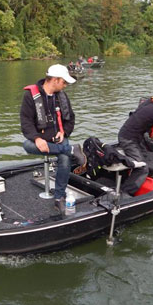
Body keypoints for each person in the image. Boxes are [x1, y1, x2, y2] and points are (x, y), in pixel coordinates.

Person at [20, 64, 87, 214]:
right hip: (40, 140)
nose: (65, 86)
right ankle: (71, 150)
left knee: (64, 159)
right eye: (64, 82)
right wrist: (36, 138)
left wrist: (64, 132)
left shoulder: (62, 96)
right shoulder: (30, 96)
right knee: (27, 145)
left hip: (58, 140)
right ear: (55, 80)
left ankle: (59, 198)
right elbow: (26, 123)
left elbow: (71, 119)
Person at [117, 88, 153, 195]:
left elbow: (146, 119)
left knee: (147, 156)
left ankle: (147, 179)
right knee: (142, 167)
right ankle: (124, 193)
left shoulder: (148, 102)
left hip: (132, 136)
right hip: (128, 140)